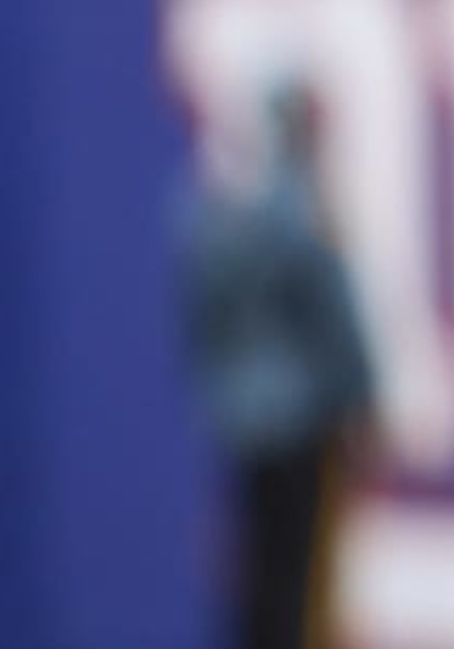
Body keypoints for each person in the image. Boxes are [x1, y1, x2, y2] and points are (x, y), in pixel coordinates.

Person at [178, 82, 377, 649]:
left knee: (257, 562)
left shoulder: (211, 218)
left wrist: (219, 388)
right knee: (296, 569)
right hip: (301, 421)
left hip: (241, 419)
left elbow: (201, 322)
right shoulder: (301, 212)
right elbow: (334, 314)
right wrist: (362, 396)